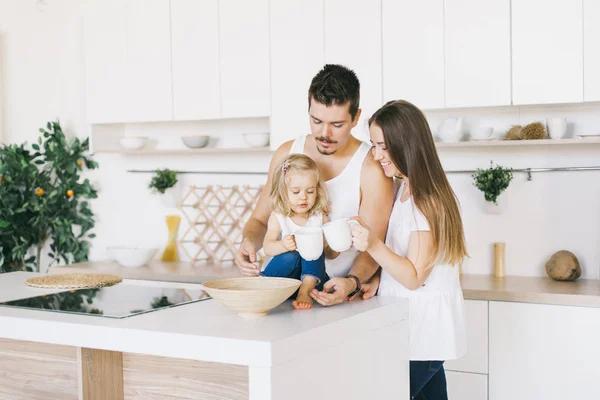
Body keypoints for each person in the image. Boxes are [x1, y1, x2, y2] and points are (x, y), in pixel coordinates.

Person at [235, 64, 394, 306]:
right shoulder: (286, 154)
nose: (324, 133)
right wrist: (248, 243)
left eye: (337, 124)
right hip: (280, 294)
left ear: (356, 118)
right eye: (316, 120)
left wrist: (352, 282)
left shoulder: (371, 168)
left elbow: (374, 246)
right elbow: (259, 221)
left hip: (338, 298)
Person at [350, 100, 468, 399]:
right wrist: (379, 282)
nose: (376, 156)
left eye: (381, 146)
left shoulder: (426, 200)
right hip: (416, 328)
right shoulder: (407, 189)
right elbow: (407, 262)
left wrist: (372, 244)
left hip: (423, 332)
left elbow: (415, 276)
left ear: (405, 145)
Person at [260, 154, 340, 309]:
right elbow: (268, 247)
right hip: (283, 281)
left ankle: (305, 290)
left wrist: (333, 244)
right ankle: (264, 287)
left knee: (314, 250)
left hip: (313, 281)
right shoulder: (279, 217)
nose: (303, 198)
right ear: (283, 192)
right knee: (292, 255)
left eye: (310, 191)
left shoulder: (319, 217)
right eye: (296, 192)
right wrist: (283, 245)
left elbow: (331, 255)